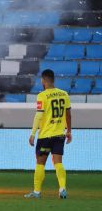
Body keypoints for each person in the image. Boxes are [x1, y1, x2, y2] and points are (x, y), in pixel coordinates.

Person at [25, 69, 72, 199]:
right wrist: (69, 131)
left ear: (43, 80)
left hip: (45, 136)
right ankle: (62, 189)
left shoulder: (42, 95)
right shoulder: (64, 94)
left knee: (40, 163)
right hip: (59, 135)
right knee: (58, 163)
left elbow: (38, 115)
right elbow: (68, 114)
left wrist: (33, 133)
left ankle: (37, 192)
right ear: (53, 79)